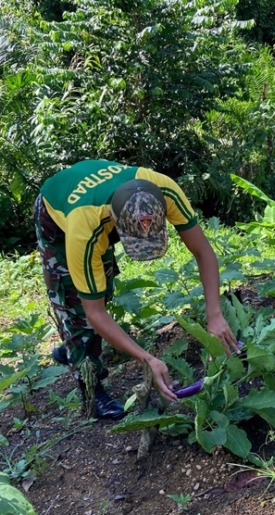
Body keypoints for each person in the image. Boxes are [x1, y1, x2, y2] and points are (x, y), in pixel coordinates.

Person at [35, 159, 238, 419]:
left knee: (102, 285)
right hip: (57, 214)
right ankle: (90, 388)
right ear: (115, 222)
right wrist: (147, 359)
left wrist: (215, 315)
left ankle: (74, 346)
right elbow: (95, 313)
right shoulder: (83, 229)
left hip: (98, 200)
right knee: (78, 305)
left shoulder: (164, 189)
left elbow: (203, 252)